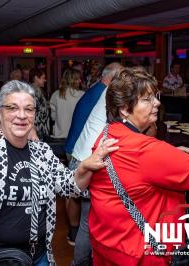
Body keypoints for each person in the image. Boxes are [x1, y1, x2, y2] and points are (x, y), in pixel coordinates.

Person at [0, 80, 119, 265]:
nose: (22, 115)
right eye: (12, 108)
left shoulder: (42, 152)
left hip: (39, 254)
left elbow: (69, 185)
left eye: (28, 109)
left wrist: (86, 165)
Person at [89, 68, 189, 265]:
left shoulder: (107, 134)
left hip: (109, 242)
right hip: (141, 252)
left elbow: (134, 171)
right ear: (124, 108)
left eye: (155, 96)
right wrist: (165, 155)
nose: (157, 102)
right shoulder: (145, 151)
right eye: (147, 99)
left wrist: (169, 155)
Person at [69, 62, 121, 264]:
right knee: (89, 222)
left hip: (80, 156)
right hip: (88, 161)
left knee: (88, 220)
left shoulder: (108, 90)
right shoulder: (116, 93)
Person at [50, 69, 84, 139]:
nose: (80, 81)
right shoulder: (82, 95)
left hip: (59, 135)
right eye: (78, 79)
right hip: (76, 136)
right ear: (72, 80)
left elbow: (53, 116)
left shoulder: (56, 94)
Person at [29, 68, 50, 140]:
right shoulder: (32, 92)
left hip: (38, 129)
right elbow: (37, 111)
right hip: (37, 129)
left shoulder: (36, 90)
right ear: (35, 78)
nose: (45, 80)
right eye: (43, 78)